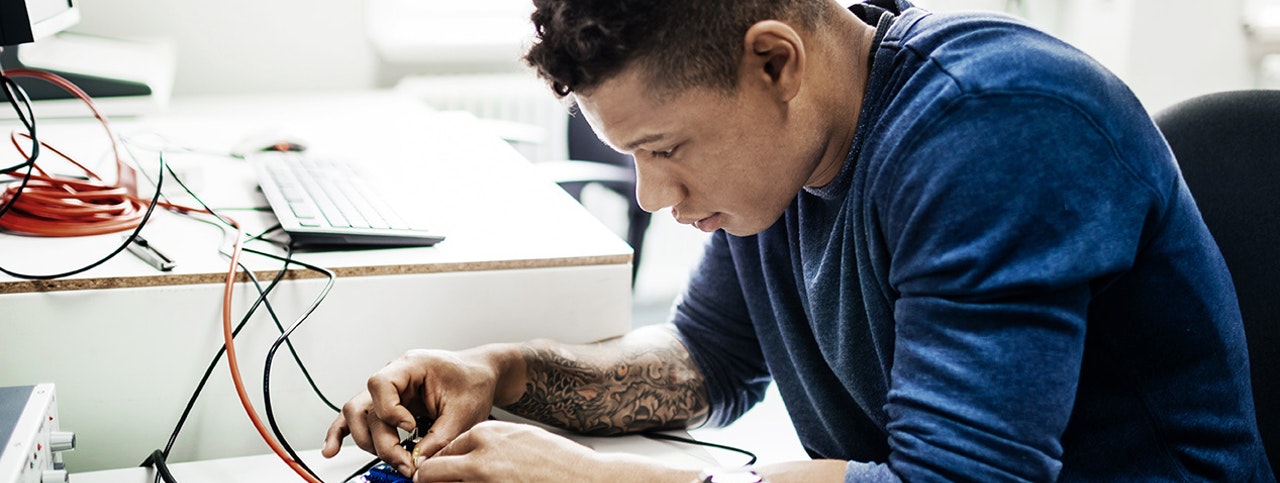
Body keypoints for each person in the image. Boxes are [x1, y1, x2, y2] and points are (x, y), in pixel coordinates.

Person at [322, 0, 1275, 481]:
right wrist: (506, 373)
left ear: (774, 60)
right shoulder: (786, 160)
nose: (654, 195)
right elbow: (707, 362)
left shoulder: (994, 131)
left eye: (667, 148)